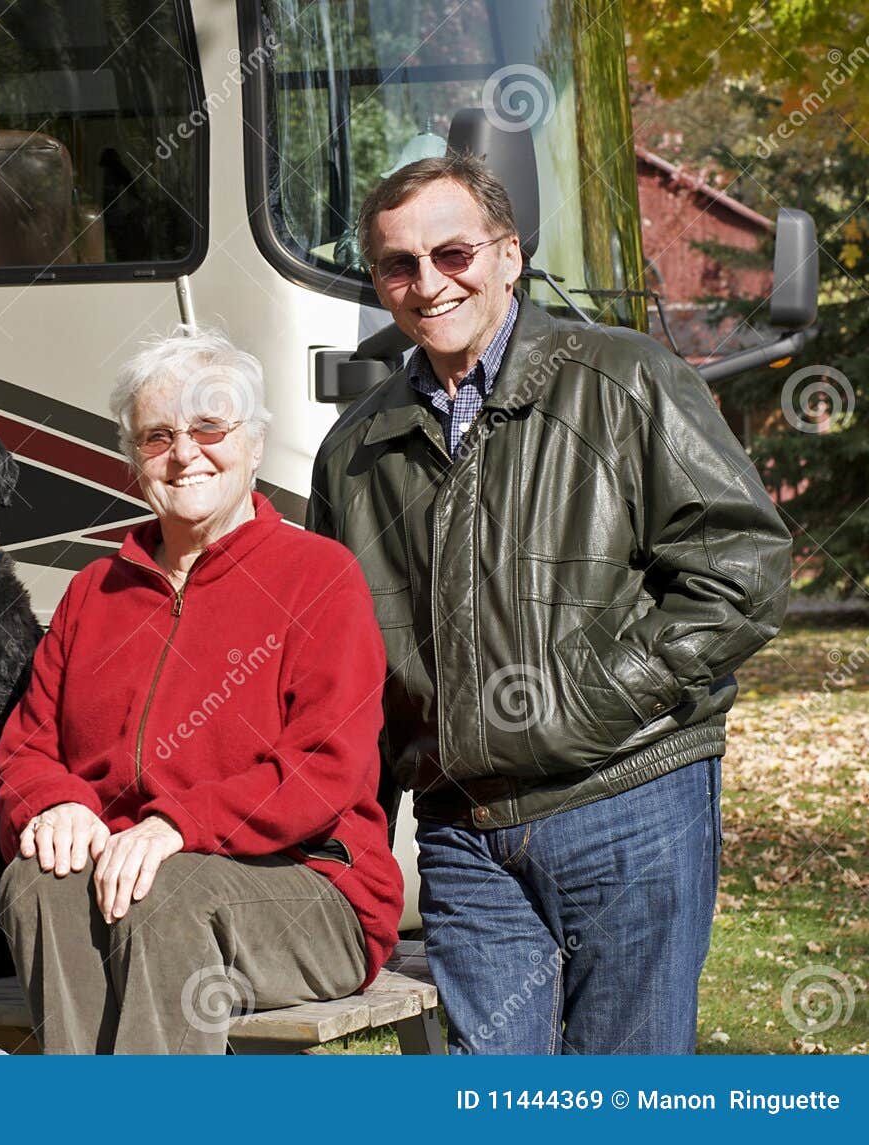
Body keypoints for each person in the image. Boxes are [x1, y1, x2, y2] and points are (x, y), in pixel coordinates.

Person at [307, 152, 791, 1053]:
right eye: (398, 265)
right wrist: (351, 835)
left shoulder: (625, 378)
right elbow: (341, 665)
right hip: (464, 834)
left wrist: (587, 700)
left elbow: (743, 564)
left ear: (508, 255)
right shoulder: (355, 448)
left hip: (631, 798)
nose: (428, 283)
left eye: (452, 254)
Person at [0, 329, 403, 1054]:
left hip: (308, 884)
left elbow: (324, 767)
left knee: (168, 893)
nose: (185, 453)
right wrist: (57, 804)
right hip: (131, 876)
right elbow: (25, 746)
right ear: (133, 459)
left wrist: (176, 824)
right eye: (157, 436)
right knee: (36, 880)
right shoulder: (95, 591)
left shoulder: (319, 575)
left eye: (210, 427)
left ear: (254, 445)